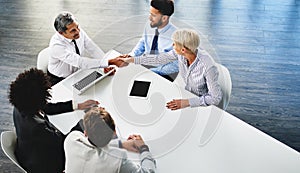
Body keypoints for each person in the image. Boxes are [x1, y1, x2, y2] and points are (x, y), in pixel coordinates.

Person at [8, 68, 101, 173]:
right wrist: (86, 121)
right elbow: (65, 141)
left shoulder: (21, 106)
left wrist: (77, 106)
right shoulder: (38, 128)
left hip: (27, 152)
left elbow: (47, 108)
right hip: (46, 165)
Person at [119, 29, 223, 110]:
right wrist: (131, 59)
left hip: (201, 103)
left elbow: (215, 98)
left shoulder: (208, 67)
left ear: (183, 49)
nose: (172, 45)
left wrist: (186, 103)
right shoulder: (181, 54)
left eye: (174, 44)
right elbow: (159, 59)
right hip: (186, 94)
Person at [64, 106, 156, 173]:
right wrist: (144, 148)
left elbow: (93, 147)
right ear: (114, 133)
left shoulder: (71, 139)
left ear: (85, 132)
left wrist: (120, 144)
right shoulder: (117, 161)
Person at [47, 11, 124, 85]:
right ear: (61, 33)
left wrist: (105, 65)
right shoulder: (56, 46)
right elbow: (80, 62)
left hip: (77, 73)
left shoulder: (78, 32)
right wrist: (110, 62)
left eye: (77, 27)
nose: (78, 31)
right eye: (73, 30)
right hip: (59, 80)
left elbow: (92, 48)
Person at [129, 0, 178, 81]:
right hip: (145, 66)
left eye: (153, 15)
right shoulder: (149, 25)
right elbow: (143, 42)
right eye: (150, 13)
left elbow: (175, 65)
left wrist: (152, 72)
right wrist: (132, 55)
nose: (149, 18)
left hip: (163, 75)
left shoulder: (176, 37)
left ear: (164, 18)